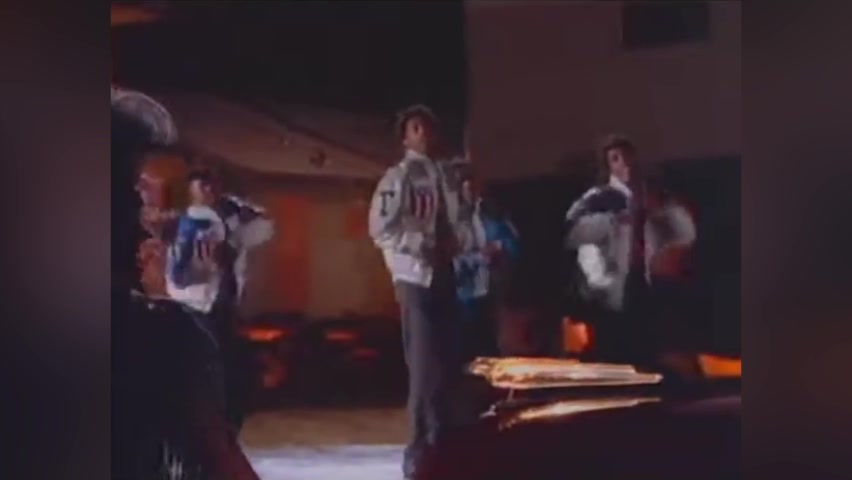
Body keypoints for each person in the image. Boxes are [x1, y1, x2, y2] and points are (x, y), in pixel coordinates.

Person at [368, 104, 467, 480]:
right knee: (424, 371)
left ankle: (444, 450)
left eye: (428, 126)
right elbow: (380, 228)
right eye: (415, 127)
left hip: (445, 275)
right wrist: (419, 244)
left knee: (448, 367)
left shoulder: (447, 175)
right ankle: (418, 456)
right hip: (415, 278)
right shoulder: (398, 177)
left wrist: (458, 242)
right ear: (405, 138)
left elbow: (459, 220)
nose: (423, 133)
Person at [563, 134, 695, 366]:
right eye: (615, 159)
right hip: (612, 300)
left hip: (652, 300)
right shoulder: (598, 203)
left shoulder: (660, 204)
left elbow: (682, 240)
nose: (624, 165)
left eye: (627, 158)